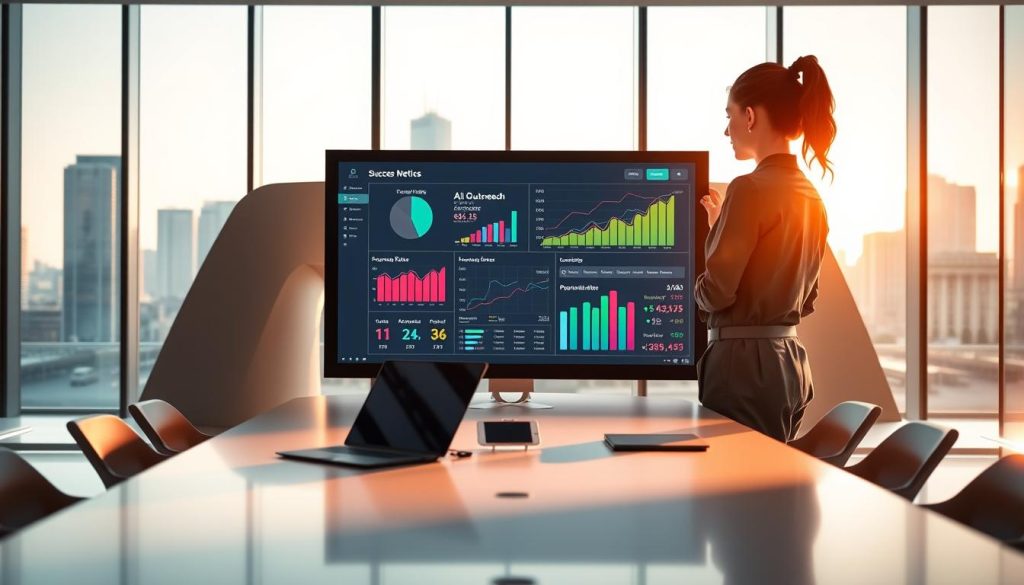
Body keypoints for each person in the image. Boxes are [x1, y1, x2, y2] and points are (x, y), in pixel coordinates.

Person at [694, 55, 835, 442]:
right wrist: (723, 226)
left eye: (730, 116)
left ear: (751, 117)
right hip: (790, 364)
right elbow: (807, 300)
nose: (727, 130)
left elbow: (717, 292)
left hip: (743, 369)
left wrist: (693, 287)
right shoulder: (811, 196)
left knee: (735, 490)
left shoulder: (748, 189)